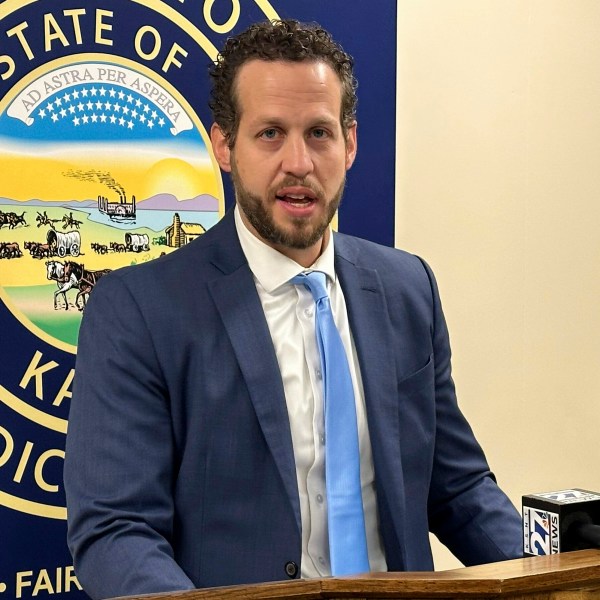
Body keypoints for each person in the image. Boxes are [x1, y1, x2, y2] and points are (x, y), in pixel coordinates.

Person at [64, 18, 523, 600]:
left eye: (320, 133)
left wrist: (566, 573)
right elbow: (116, 532)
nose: (299, 162)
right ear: (224, 145)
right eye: (271, 134)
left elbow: (457, 489)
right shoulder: (138, 311)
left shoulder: (408, 288)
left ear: (350, 144)